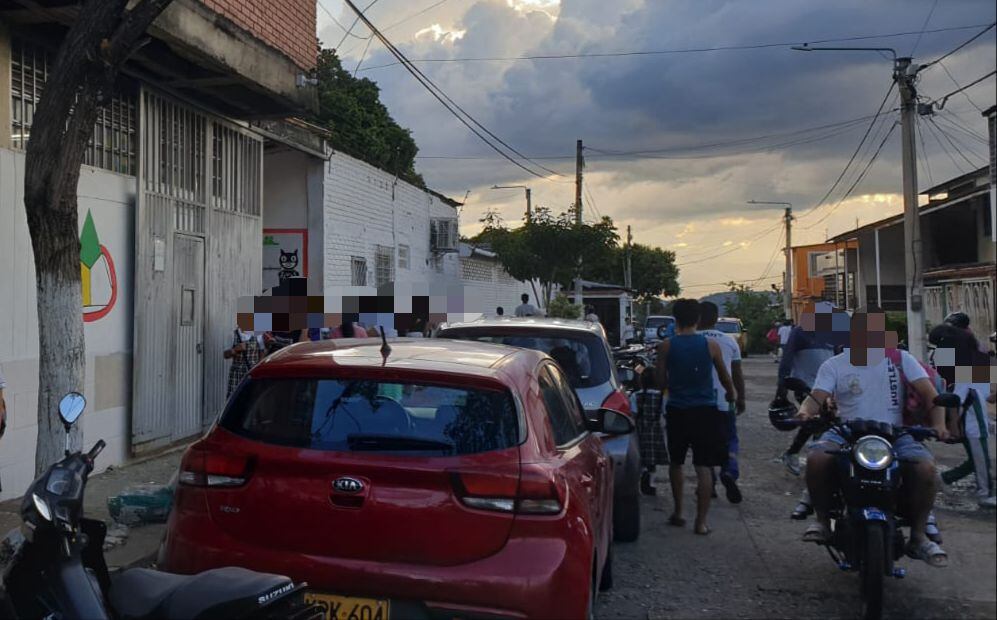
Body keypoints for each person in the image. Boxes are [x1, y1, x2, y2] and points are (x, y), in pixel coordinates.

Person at [797, 308, 950, 567]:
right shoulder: (834, 365)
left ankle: (919, 535)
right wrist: (804, 412)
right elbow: (816, 398)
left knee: (926, 469)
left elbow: (931, 395)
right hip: (846, 432)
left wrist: (940, 425)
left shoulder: (902, 359)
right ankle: (822, 521)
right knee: (817, 459)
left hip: (896, 434)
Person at [654, 299, 737, 535]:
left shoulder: (667, 346)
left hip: (678, 409)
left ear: (675, 319)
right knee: (703, 466)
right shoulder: (711, 345)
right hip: (705, 410)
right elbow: (724, 377)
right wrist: (732, 396)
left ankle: (679, 512)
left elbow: (660, 382)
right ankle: (701, 522)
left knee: (676, 462)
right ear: (698, 319)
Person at [929, 316, 995, 505]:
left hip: (965, 409)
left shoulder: (958, 352)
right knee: (980, 456)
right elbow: (961, 389)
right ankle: (985, 493)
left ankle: (945, 479)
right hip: (969, 414)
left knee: (977, 458)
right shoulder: (969, 352)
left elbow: (975, 386)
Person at [776, 306, 839, 478]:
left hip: (827, 387)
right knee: (818, 421)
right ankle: (815, 461)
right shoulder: (800, 332)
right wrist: (782, 384)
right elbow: (787, 358)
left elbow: (838, 357)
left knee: (822, 422)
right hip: (804, 385)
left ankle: (798, 453)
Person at [697, 301, 746, 504]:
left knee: (702, 443)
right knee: (730, 439)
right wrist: (740, 397)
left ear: (697, 318)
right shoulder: (729, 341)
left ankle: (708, 483)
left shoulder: (690, 340)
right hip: (725, 401)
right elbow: (736, 373)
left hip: (698, 403)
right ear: (716, 319)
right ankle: (729, 470)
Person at [631, 367, 668, 496]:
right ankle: (651, 482)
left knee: (641, 456)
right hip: (656, 430)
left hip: (640, 430)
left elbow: (633, 414)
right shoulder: (661, 397)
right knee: (653, 458)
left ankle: (643, 473)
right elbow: (666, 413)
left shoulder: (635, 396)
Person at [224, 322, 264, 398]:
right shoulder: (233, 334)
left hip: (251, 372)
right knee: (234, 398)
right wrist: (235, 350)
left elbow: (262, 351)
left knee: (251, 398)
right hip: (236, 374)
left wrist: (258, 368)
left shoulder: (258, 334)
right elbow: (225, 355)